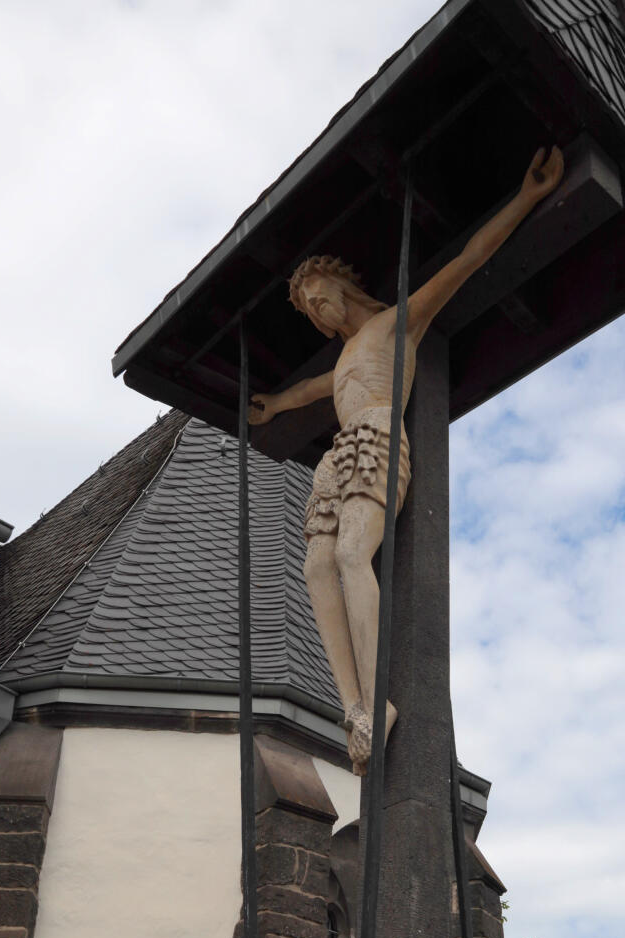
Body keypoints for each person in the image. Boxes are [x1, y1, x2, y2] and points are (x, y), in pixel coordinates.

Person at [251, 146, 564, 774]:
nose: (316, 312)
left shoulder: (399, 324)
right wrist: (279, 401)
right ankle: (355, 709)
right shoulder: (341, 359)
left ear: (342, 285)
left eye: (319, 298)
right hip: (338, 457)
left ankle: (375, 698)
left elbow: (468, 259)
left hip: (375, 440)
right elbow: (310, 393)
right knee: (316, 566)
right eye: (308, 309)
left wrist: (526, 199)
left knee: (349, 555)